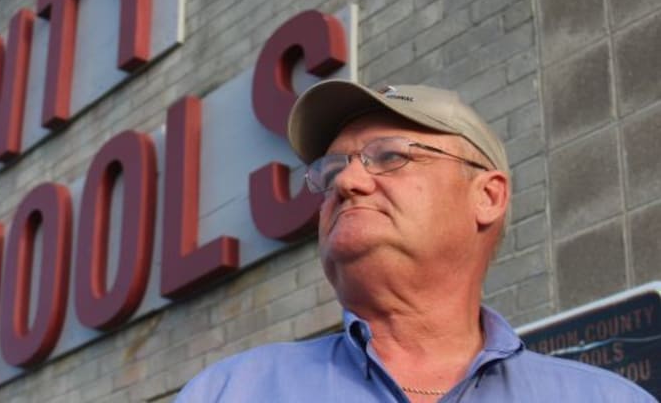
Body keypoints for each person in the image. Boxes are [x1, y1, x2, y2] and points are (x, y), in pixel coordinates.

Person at [176, 80, 655, 402]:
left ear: (487, 197)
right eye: (331, 170)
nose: (347, 183)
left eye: (389, 157)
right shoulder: (227, 392)